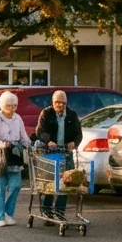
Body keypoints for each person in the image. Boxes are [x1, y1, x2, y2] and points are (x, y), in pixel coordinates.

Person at [34, 90, 82, 219]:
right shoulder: (46, 113)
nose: (59, 105)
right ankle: (47, 212)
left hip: (65, 153)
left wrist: (74, 142)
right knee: (50, 183)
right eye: (57, 102)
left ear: (66, 103)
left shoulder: (72, 115)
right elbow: (40, 131)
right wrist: (48, 141)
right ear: (52, 102)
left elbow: (78, 133)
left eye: (62, 103)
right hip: (50, 153)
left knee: (64, 184)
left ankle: (60, 212)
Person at [0, 91, 32, 227]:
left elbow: (23, 135)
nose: (12, 109)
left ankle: (8, 212)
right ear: (2, 105)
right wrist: (1, 145)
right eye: (9, 106)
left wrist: (30, 144)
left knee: (16, 185)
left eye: (14, 106)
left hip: (14, 155)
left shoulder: (18, 118)